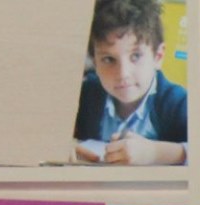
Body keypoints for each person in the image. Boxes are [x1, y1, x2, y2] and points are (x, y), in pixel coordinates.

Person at [72, 0, 188, 166]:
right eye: (108, 59)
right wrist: (65, 148)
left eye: (136, 56)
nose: (123, 73)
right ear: (95, 63)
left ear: (158, 57)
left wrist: (155, 153)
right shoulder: (84, 95)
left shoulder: (178, 102)